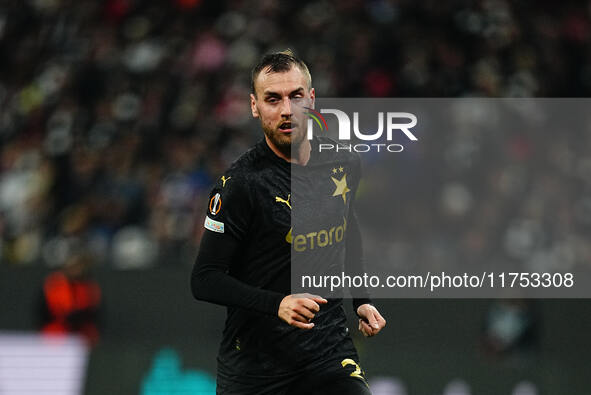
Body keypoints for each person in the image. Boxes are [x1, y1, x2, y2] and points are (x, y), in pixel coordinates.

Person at [191, 50, 386, 395]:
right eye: (272, 99)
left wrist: (361, 300)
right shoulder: (241, 185)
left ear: (311, 99)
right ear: (254, 106)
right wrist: (276, 303)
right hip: (256, 368)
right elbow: (205, 279)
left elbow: (347, 228)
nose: (286, 110)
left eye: (296, 96)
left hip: (326, 353)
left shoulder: (343, 162)